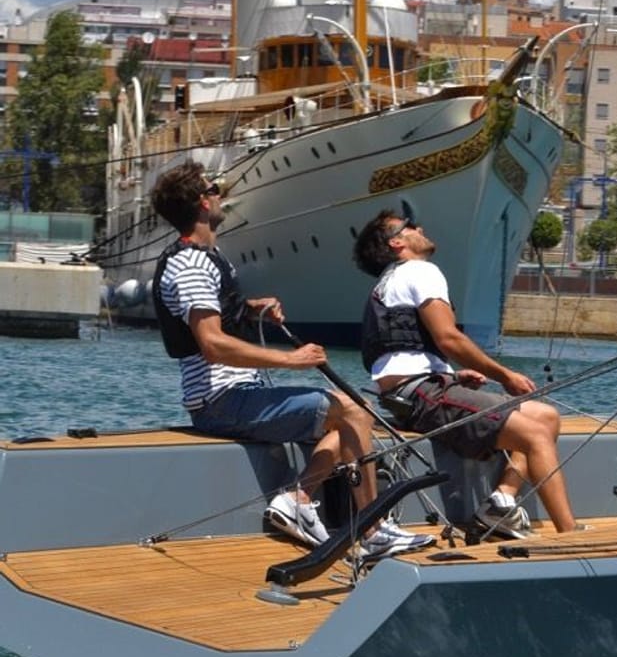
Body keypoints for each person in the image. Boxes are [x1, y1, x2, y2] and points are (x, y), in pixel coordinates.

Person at [150, 161, 432, 560]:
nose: (221, 194)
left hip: (238, 396)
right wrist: (292, 360)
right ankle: (372, 530)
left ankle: (298, 499)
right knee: (353, 411)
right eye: (214, 188)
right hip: (222, 403)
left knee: (357, 411)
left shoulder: (207, 258)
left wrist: (250, 310)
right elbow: (211, 343)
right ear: (202, 201)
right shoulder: (192, 264)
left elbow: (213, 316)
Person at [353, 210, 581, 535]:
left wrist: (454, 378)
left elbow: (403, 354)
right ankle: (569, 536)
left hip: (411, 393)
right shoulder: (420, 270)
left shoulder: (389, 281)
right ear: (397, 241)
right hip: (423, 396)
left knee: (546, 416)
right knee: (536, 435)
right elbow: (448, 338)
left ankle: (501, 501)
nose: (421, 227)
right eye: (411, 225)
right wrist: (505, 375)